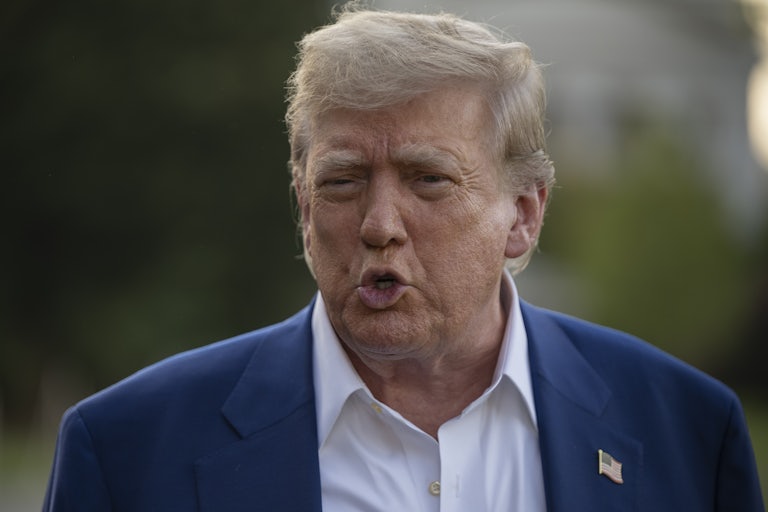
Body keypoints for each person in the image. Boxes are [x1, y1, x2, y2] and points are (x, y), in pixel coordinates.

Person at [44, 5, 764, 512]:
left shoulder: (688, 433)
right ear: (303, 206)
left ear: (523, 214)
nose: (380, 225)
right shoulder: (127, 453)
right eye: (343, 181)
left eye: (429, 180)